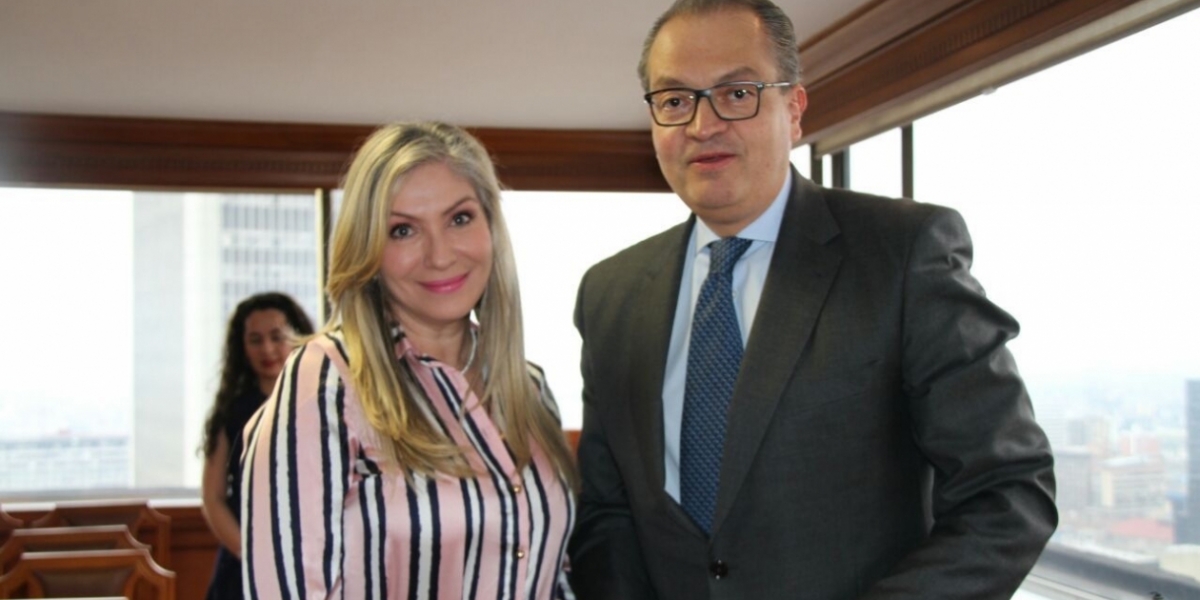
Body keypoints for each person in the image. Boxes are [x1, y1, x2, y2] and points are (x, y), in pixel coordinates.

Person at [567, 1, 1058, 598]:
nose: (702, 124)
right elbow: (609, 510)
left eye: (738, 92)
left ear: (794, 109)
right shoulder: (610, 293)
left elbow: (1007, 490)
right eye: (675, 101)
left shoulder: (902, 254)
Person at [241, 121, 578, 599]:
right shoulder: (326, 380)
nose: (440, 255)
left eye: (459, 218)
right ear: (368, 252)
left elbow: (553, 577)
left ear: (490, 226)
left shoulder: (529, 389)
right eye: (402, 230)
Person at [201, 291, 314, 600]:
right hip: (242, 566)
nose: (267, 349)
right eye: (255, 339)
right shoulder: (231, 411)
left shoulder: (324, 404)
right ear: (242, 347)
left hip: (314, 563)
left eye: (277, 336)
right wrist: (248, 552)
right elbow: (212, 498)